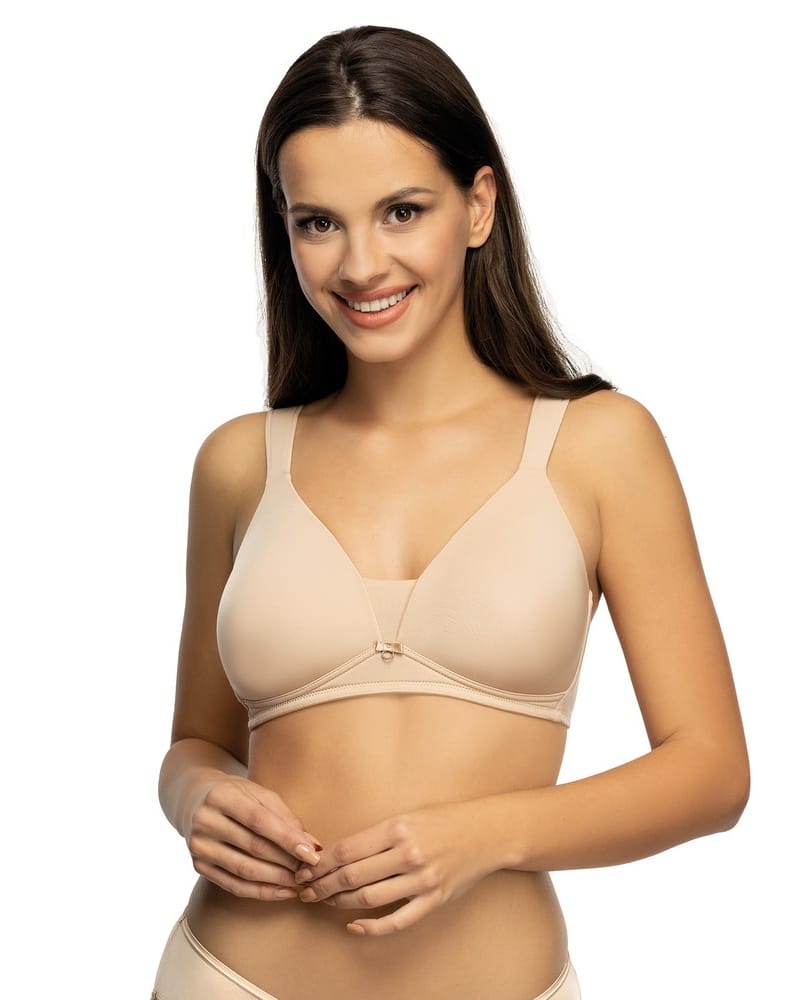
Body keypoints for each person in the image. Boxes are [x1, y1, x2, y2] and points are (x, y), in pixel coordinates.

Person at [151, 24, 749, 1000]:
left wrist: (483, 834)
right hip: (228, 978)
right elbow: (196, 741)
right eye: (318, 222)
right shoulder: (239, 463)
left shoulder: (599, 445)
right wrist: (196, 796)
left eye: (401, 211)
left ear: (476, 205)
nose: (360, 264)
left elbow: (711, 772)